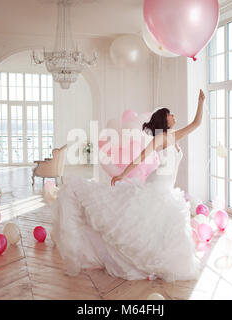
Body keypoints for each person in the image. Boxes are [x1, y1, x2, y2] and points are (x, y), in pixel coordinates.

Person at [50, 89, 205, 282]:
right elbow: (140, 158)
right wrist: (122, 174)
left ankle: (155, 260)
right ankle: (141, 259)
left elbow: (197, 123)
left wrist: (201, 103)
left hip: (167, 188)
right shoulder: (160, 138)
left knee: (161, 227)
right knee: (144, 224)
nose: (174, 116)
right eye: (170, 114)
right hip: (156, 186)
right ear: (165, 121)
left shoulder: (174, 136)